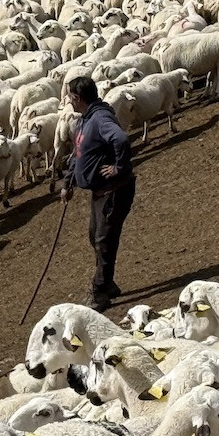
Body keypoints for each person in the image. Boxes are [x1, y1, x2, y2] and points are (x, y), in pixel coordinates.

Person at [60, 76, 136, 312]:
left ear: (77, 97)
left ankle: (100, 291)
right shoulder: (86, 119)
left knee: (104, 240)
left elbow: (121, 139)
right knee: (96, 237)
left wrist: (119, 168)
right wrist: (68, 182)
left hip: (113, 191)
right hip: (100, 192)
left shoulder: (101, 118)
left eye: (70, 97)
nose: (69, 102)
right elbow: (80, 153)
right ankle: (108, 282)